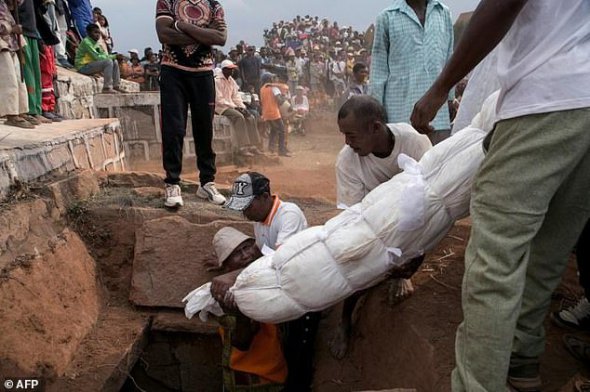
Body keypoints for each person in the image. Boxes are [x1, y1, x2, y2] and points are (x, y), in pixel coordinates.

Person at [409, 1, 590, 390]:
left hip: (547, 100)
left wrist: (441, 88)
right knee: (549, 249)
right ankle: (521, 362)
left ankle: (479, 383)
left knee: (495, 256)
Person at [329, 95, 432, 360]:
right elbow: (353, 215)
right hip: (373, 220)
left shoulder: (414, 141)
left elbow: (431, 192)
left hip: (414, 213)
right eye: (343, 136)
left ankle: (402, 275)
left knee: (424, 220)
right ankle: (344, 320)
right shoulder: (347, 160)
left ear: (375, 127)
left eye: (351, 136)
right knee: (352, 260)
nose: (347, 144)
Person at [222, 172, 321, 392]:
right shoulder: (260, 219)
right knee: (285, 347)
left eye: (247, 206)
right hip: (284, 293)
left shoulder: (289, 215)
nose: (244, 213)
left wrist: (232, 277)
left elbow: (280, 258)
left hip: (304, 292)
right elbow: (260, 249)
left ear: (265, 196)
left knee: (299, 350)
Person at [155, 0, 228, 208]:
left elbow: (220, 38)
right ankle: (172, 183)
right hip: (173, 72)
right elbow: (163, 34)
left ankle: (206, 182)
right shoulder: (167, 1)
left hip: (203, 73)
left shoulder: (214, 5)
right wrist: (204, 35)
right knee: (174, 129)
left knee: (204, 129)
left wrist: (182, 26)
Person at [209, 227, 287, 392]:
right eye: (237, 254)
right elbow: (242, 342)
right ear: (227, 267)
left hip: (274, 373)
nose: (246, 255)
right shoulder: (227, 295)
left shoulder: (261, 277)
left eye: (247, 247)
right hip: (251, 381)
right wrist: (241, 316)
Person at [370, 0, 454, 145]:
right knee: (404, 165)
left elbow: (449, 57)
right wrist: (375, 112)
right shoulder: (387, 17)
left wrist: (450, 97)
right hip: (400, 115)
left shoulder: (443, 13)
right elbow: (379, 69)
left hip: (438, 115)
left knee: (440, 163)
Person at [214, 59, 262, 157]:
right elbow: (219, 99)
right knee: (239, 117)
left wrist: (242, 107)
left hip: (231, 105)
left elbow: (236, 96)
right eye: (230, 69)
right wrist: (235, 107)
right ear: (224, 69)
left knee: (250, 116)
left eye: (232, 69)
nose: (232, 71)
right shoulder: (216, 81)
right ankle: (243, 147)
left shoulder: (231, 81)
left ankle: (253, 145)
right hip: (221, 107)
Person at [0, 0, 32, 128]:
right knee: (10, 81)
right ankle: (11, 114)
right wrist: (12, 29)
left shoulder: (6, 6)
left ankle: (21, 111)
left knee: (19, 80)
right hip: (2, 45)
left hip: (12, 44)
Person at [18, 0, 51, 125]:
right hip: (22, 32)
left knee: (36, 74)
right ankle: (30, 110)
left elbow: (41, 9)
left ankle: (37, 109)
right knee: (28, 73)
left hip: (32, 33)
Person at [75, 23, 121, 94]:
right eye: (95, 32)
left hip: (90, 65)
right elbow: (97, 57)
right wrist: (114, 56)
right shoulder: (87, 42)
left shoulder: (96, 43)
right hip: (82, 67)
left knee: (114, 61)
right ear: (89, 33)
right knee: (108, 62)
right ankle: (106, 88)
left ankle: (116, 86)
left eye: (99, 33)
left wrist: (115, 56)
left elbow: (104, 55)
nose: (98, 35)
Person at [260, 73, 291, 157]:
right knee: (282, 130)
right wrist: (283, 96)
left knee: (274, 129)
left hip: (265, 112)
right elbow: (280, 101)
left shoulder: (262, 89)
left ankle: (271, 148)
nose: (274, 79)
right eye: (273, 78)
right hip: (274, 112)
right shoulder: (274, 88)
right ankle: (281, 150)